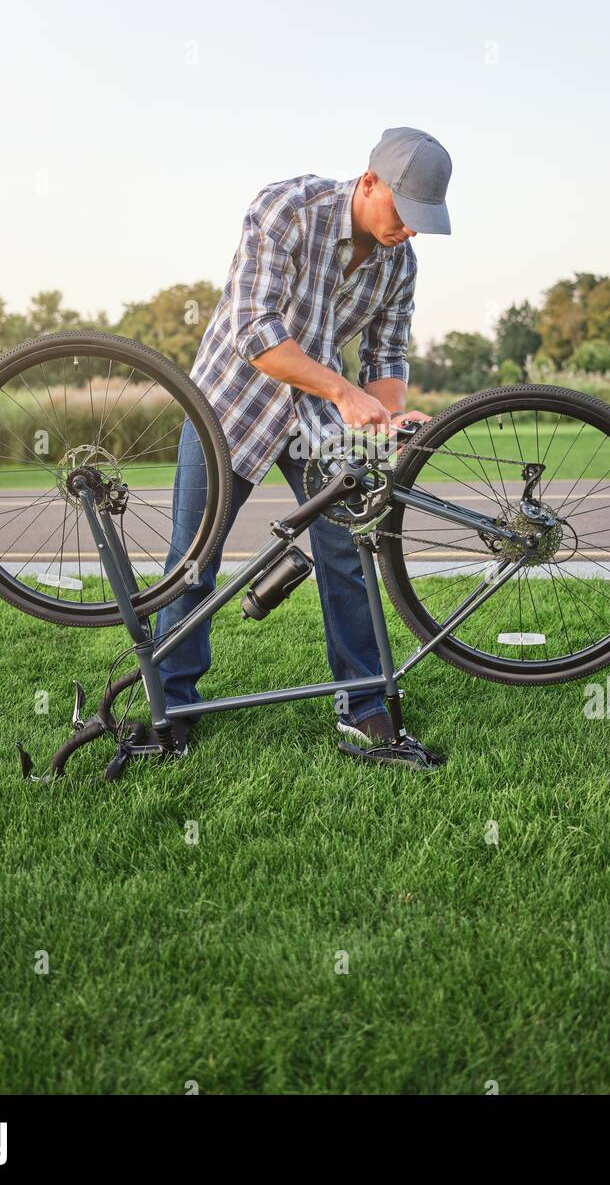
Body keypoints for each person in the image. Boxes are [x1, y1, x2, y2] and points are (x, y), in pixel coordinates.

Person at [155, 127, 453, 755]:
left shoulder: (400, 261)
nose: (410, 230)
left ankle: (364, 704)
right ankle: (173, 707)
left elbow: (387, 354)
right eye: (404, 212)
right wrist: (347, 395)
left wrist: (387, 416)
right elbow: (254, 331)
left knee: (348, 553)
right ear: (368, 181)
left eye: (423, 219)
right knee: (193, 561)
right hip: (231, 406)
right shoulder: (286, 209)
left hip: (315, 422)